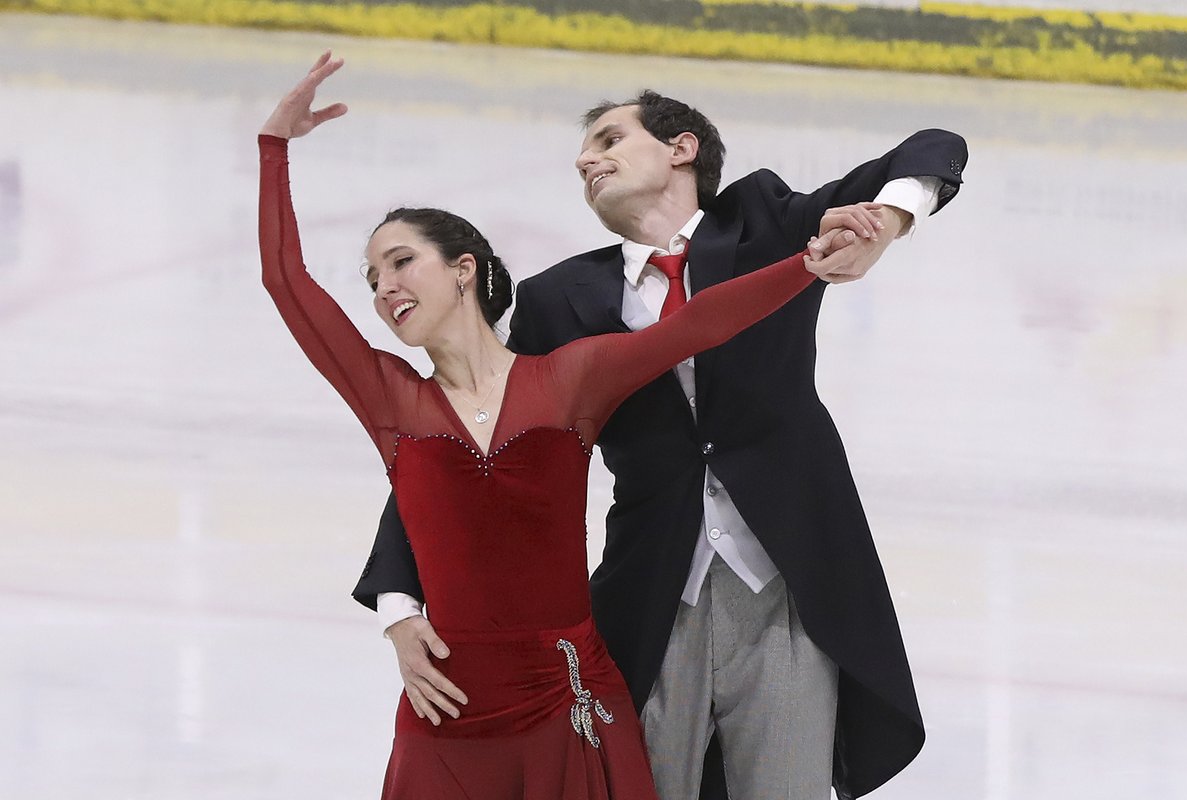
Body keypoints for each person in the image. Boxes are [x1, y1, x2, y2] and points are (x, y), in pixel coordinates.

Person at [258, 52, 853, 800]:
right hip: (448, 712)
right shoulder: (392, 403)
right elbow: (286, 282)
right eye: (374, 280)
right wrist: (273, 147)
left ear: (463, 268)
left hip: (570, 704)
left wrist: (809, 264)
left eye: (402, 262)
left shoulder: (568, 379)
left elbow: (699, 323)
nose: (386, 289)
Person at [358, 78, 968, 799]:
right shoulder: (559, 299)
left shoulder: (765, 222)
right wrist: (398, 602)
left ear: (682, 149)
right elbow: (461, 452)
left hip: (790, 592)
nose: (587, 161)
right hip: (649, 600)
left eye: (609, 139)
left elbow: (935, 149)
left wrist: (887, 223)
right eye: (583, 153)